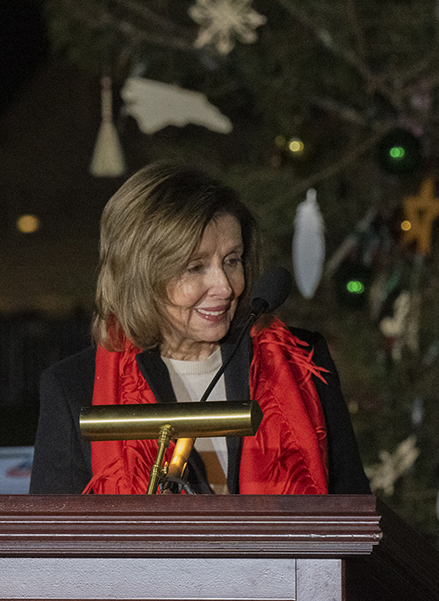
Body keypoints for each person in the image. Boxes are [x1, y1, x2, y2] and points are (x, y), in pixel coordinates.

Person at [30, 160, 370, 495]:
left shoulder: (303, 362)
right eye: (195, 267)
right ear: (140, 277)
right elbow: (51, 546)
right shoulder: (73, 388)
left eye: (232, 261)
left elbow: (356, 517)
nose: (225, 286)